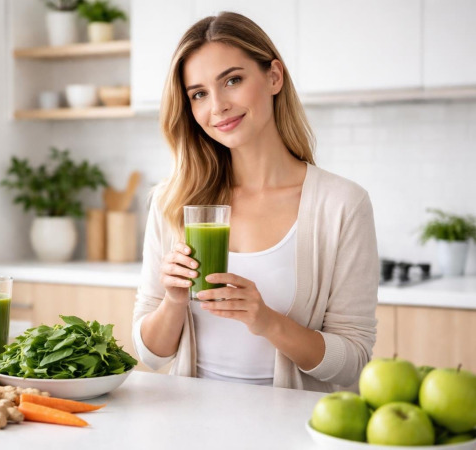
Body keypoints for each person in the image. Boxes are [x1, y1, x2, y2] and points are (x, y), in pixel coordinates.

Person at [131, 12, 378, 392]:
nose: (217, 107)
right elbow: (151, 355)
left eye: (232, 80)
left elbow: (352, 364)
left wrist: (267, 321)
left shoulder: (342, 204)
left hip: (290, 430)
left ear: (274, 77)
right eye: (199, 94)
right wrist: (174, 301)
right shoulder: (174, 200)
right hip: (189, 425)